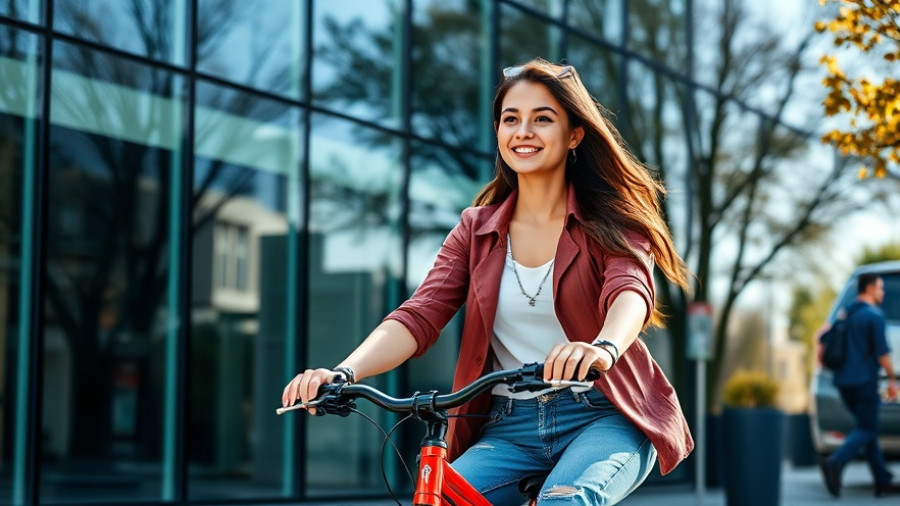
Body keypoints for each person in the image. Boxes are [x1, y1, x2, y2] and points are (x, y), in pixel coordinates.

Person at [282, 58, 693, 505]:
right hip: (508, 426)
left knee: (564, 500)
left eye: (543, 119)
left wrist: (603, 347)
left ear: (574, 134)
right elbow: (419, 315)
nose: (524, 132)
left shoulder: (609, 221)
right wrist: (343, 372)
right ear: (498, 132)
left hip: (604, 415)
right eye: (511, 119)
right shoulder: (474, 230)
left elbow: (629, 291)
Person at [820, 273, 898, 498]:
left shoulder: (845, 313)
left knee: (866, 427)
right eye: (880, 288)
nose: (882, 292)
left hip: (843, 383)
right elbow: (883, 354)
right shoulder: (875, 316)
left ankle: (881, 479)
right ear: (870, 289)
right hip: (864, 381)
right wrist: (892, 380)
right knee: (868, 428)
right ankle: (835, 462)